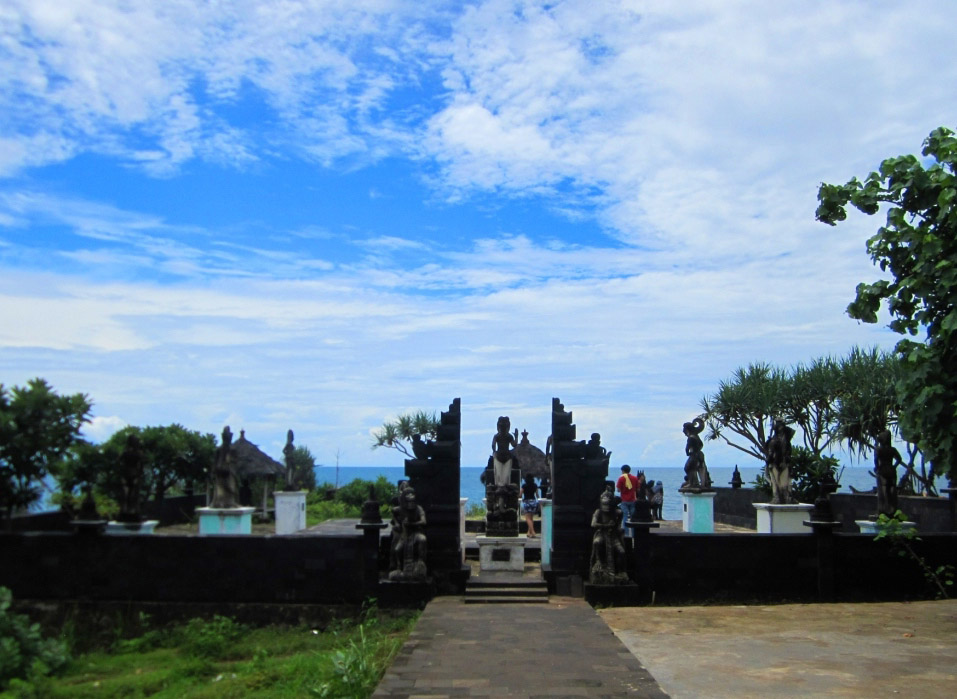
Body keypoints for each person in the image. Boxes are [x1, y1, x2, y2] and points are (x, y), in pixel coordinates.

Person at [616, 464, 639, 537]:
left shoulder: (621, 478)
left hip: (624, 500)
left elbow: (618, 490)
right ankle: (634, 534)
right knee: (633, 518)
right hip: (633, 499)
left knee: (625, 517)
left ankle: (626, 534)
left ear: (623, 471)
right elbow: (637, 489)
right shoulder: (635, 478)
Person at [521, 473, 539, 538]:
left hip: (527, 501)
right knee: (531, 518)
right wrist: (538, 501)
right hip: (533, 501)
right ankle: (529, 532)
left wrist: (520, 497)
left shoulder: (524, 485)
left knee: (527, 519)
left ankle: (533, 532)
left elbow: (520, 493)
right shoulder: (535, 485)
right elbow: (537, 494)